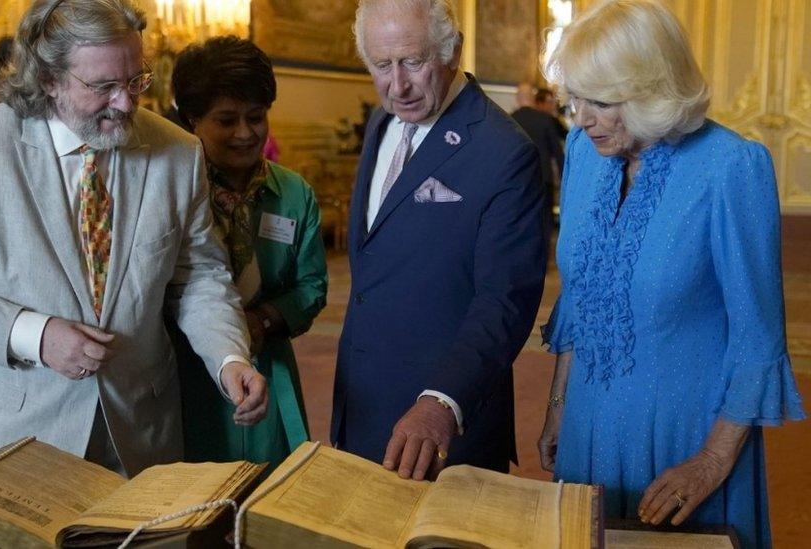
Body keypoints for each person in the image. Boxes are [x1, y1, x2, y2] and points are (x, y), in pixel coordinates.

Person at [0, 0, 268, 477]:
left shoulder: (177, 151)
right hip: (14, 434)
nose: (127, 102)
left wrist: (228, 356)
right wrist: (35, 335)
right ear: (48, 79)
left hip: (138, 431)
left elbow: (199, 277)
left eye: (135, 81)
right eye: (104, 86)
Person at [537, 2, 805, 547]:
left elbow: (759, 341)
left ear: (653, 92)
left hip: (686, 438)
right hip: (589, 422)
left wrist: (710, 461)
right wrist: (559, 406)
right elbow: (583, 296)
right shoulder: (585, 153)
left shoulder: (731, 167)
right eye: (576, 99)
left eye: (602, 102)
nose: (582, 117)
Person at [333, 0, 546, 481]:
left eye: (412, 61)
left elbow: (505, 300)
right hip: (362, 404)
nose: (397, 84)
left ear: (452, 52)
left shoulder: (504, 150)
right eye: (381, 66)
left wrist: (442, 401)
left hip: (446, 422)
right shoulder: (382, 120)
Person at [171, 36, 327, 471]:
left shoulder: (293, 193)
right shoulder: (173, 190)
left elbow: (311, 286)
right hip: (185, 373)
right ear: (191, 120)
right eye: (226, 120)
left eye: (256, 118)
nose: (245, 133)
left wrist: (262, 321)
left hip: (268, 371)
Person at [511, 84, 565, 231]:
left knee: (520, 224)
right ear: (533, 99)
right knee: (545, 224)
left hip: (516, 180)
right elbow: (558, 152)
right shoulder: (545, 120)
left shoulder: (509, 120)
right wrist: (564, 180)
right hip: (543, 178)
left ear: (517, 99)